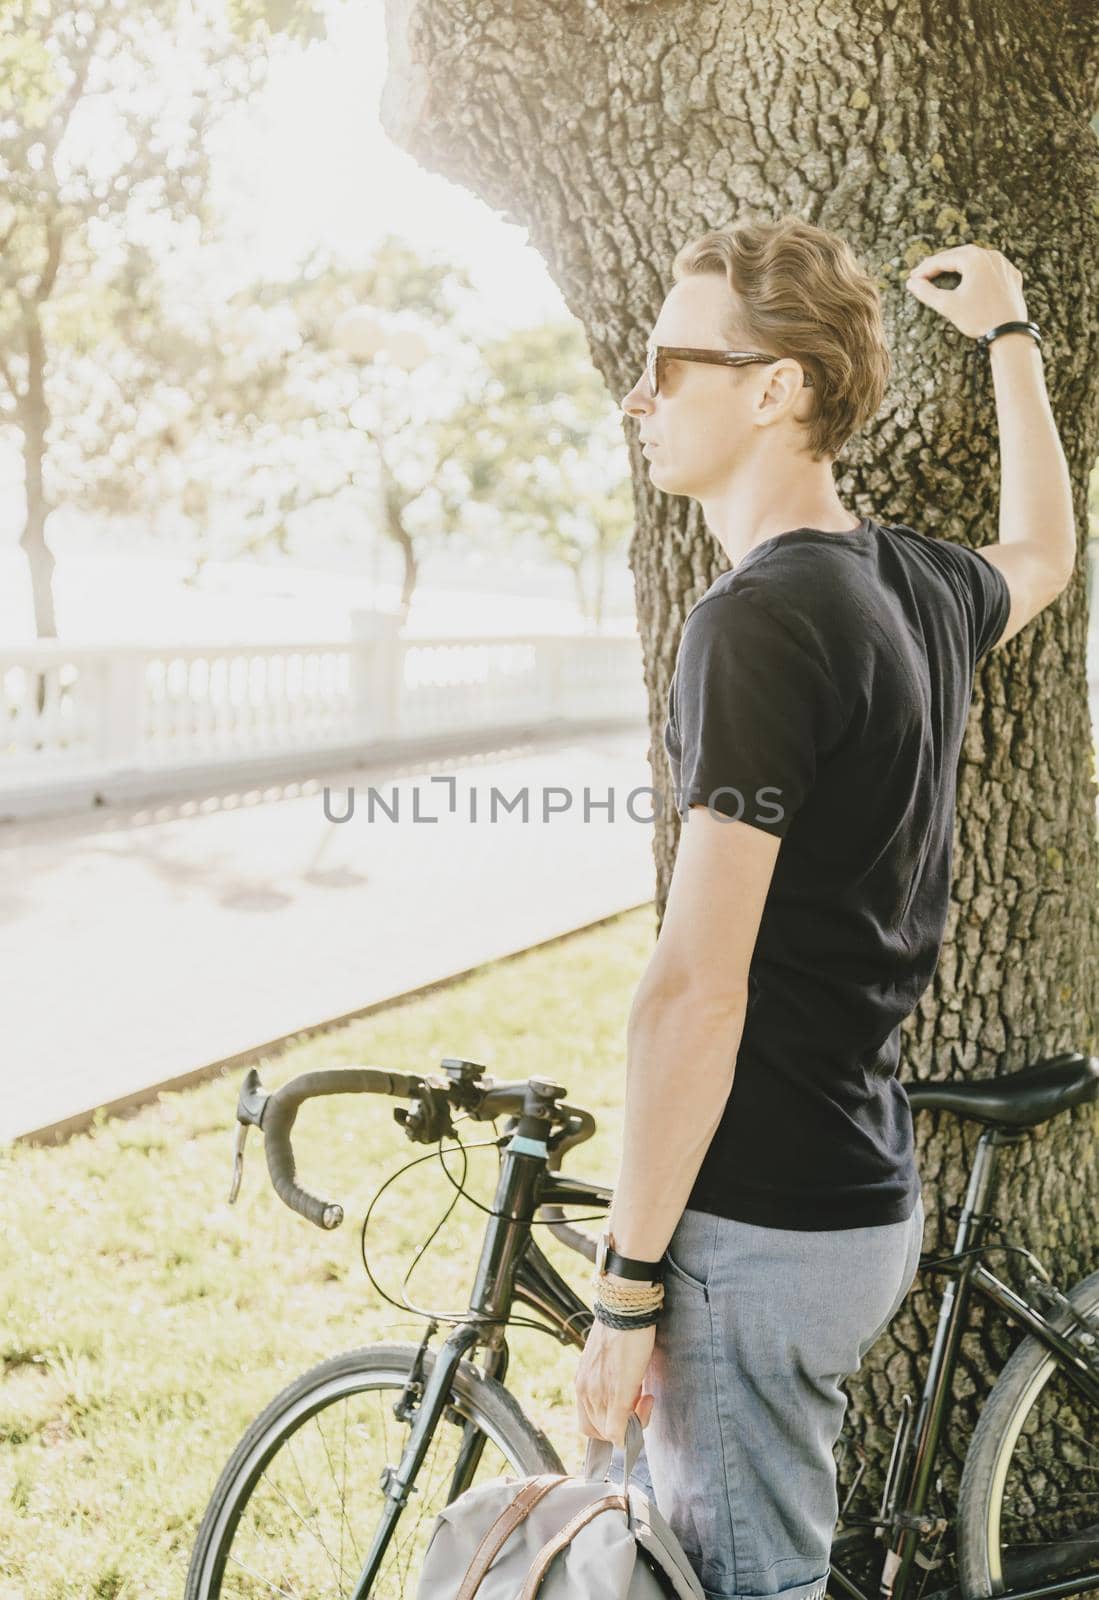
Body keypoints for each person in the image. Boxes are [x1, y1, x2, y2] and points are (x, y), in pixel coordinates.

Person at [572, 215, 1076, 1600]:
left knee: (752, 1584)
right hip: (861, 1196)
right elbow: (1043, 551)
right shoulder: (908, 585)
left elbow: (694, 988)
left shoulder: (758, 621)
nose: (640, 394)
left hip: (760, 1218)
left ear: (776, 388)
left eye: (669, 364)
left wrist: (626, 1290)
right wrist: (1012, 337)